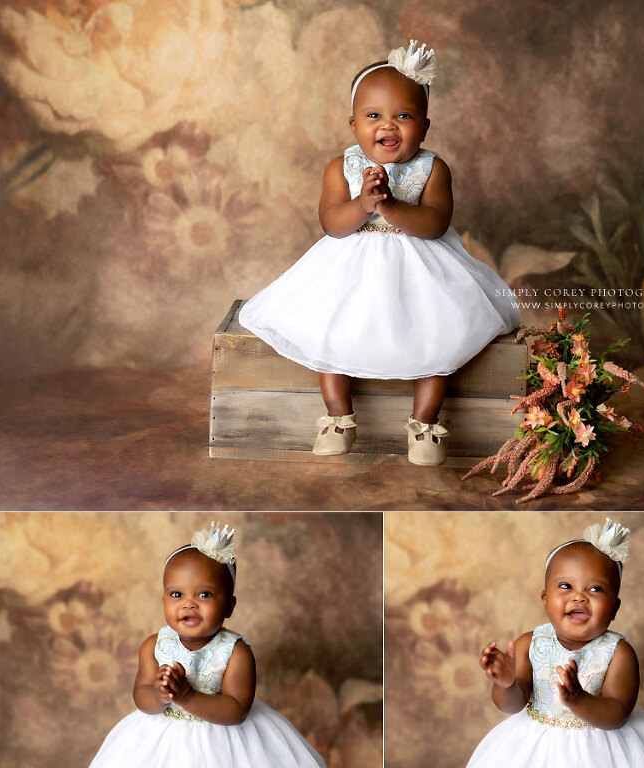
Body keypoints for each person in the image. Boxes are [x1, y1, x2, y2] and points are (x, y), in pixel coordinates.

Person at [239, 41, 519, 466]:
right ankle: (338, 418)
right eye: (373, 116)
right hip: (350, 264)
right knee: (326, 330)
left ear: (424, 126)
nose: (388, 125)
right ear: (353, 124)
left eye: (403, 115)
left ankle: (424, 425)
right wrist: (363, 205)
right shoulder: (342, 167)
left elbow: (435, 224)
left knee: (439, 334)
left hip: (422, 265)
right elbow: (332, 223)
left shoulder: (433, 168)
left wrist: (391, 206)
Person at [466, 518, 644, 768]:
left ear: (614, 608)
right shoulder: (529, 644)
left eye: (595, 589)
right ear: (545, 598)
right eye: (565, 586)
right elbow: (511, 706)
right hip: (537, 747)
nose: (579, 597)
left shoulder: (618, 653)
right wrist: (507, 684)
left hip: (604, 751)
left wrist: (579, 700)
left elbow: (617, 714)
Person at [89, 522, 326, 768]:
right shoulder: (154, 645)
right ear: (163, 599)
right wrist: (160, 694)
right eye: (176, 594)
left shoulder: (236, 652)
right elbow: (141, 696)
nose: (189, 604)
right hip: (162, 741)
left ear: (229, 607)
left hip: (224, 745)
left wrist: (188, 696)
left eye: (204, 595)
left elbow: (237, 710)